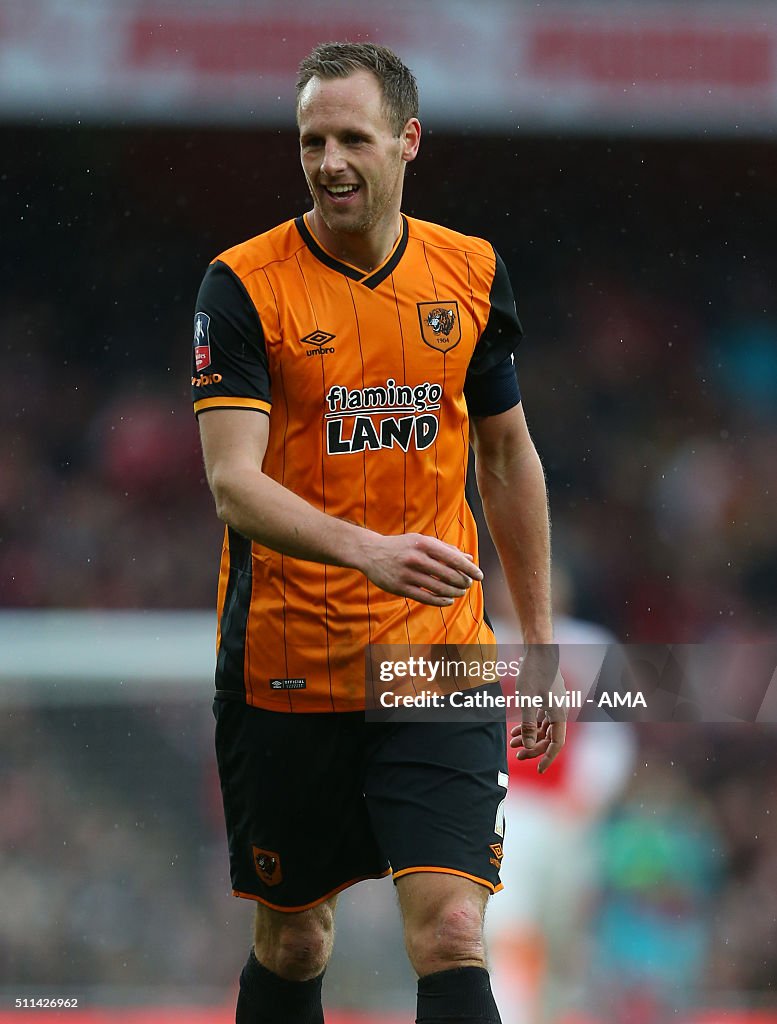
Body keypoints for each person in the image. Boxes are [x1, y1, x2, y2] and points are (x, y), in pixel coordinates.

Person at [191, 41, 565, 1024]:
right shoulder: (241, 286)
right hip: (287, 663)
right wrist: (369, 549)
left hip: (436, 663)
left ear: (407, 141)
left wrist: (538, 637)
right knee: (296, 937)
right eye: (311, 139)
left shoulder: (471, 273)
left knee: (450, 932)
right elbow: (233, 483)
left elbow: (508, 456)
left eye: (352, 137)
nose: (328, 162)